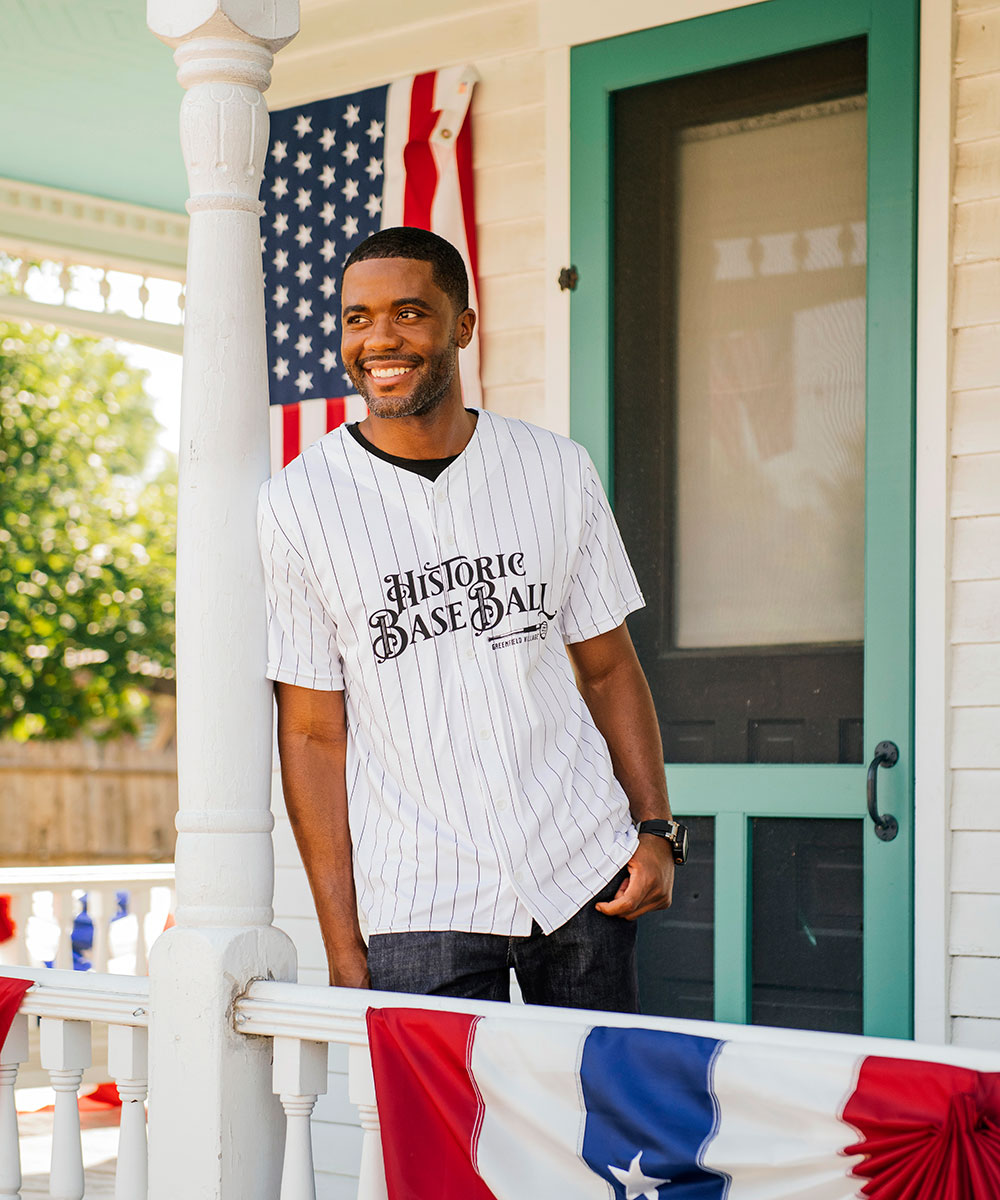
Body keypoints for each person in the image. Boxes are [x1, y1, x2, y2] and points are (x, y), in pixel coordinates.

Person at [257, 227, 685, 1013]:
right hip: (422, 894)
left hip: (582, 867)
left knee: (592, 1125)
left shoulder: (555, 469)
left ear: (462, 326)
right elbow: (313, 731)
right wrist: (341, 939)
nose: (378, 339)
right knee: (443, 1136)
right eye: (357, 319)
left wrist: (654, 829)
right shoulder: (298, 503)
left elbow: (609, 666)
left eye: (408, 313)